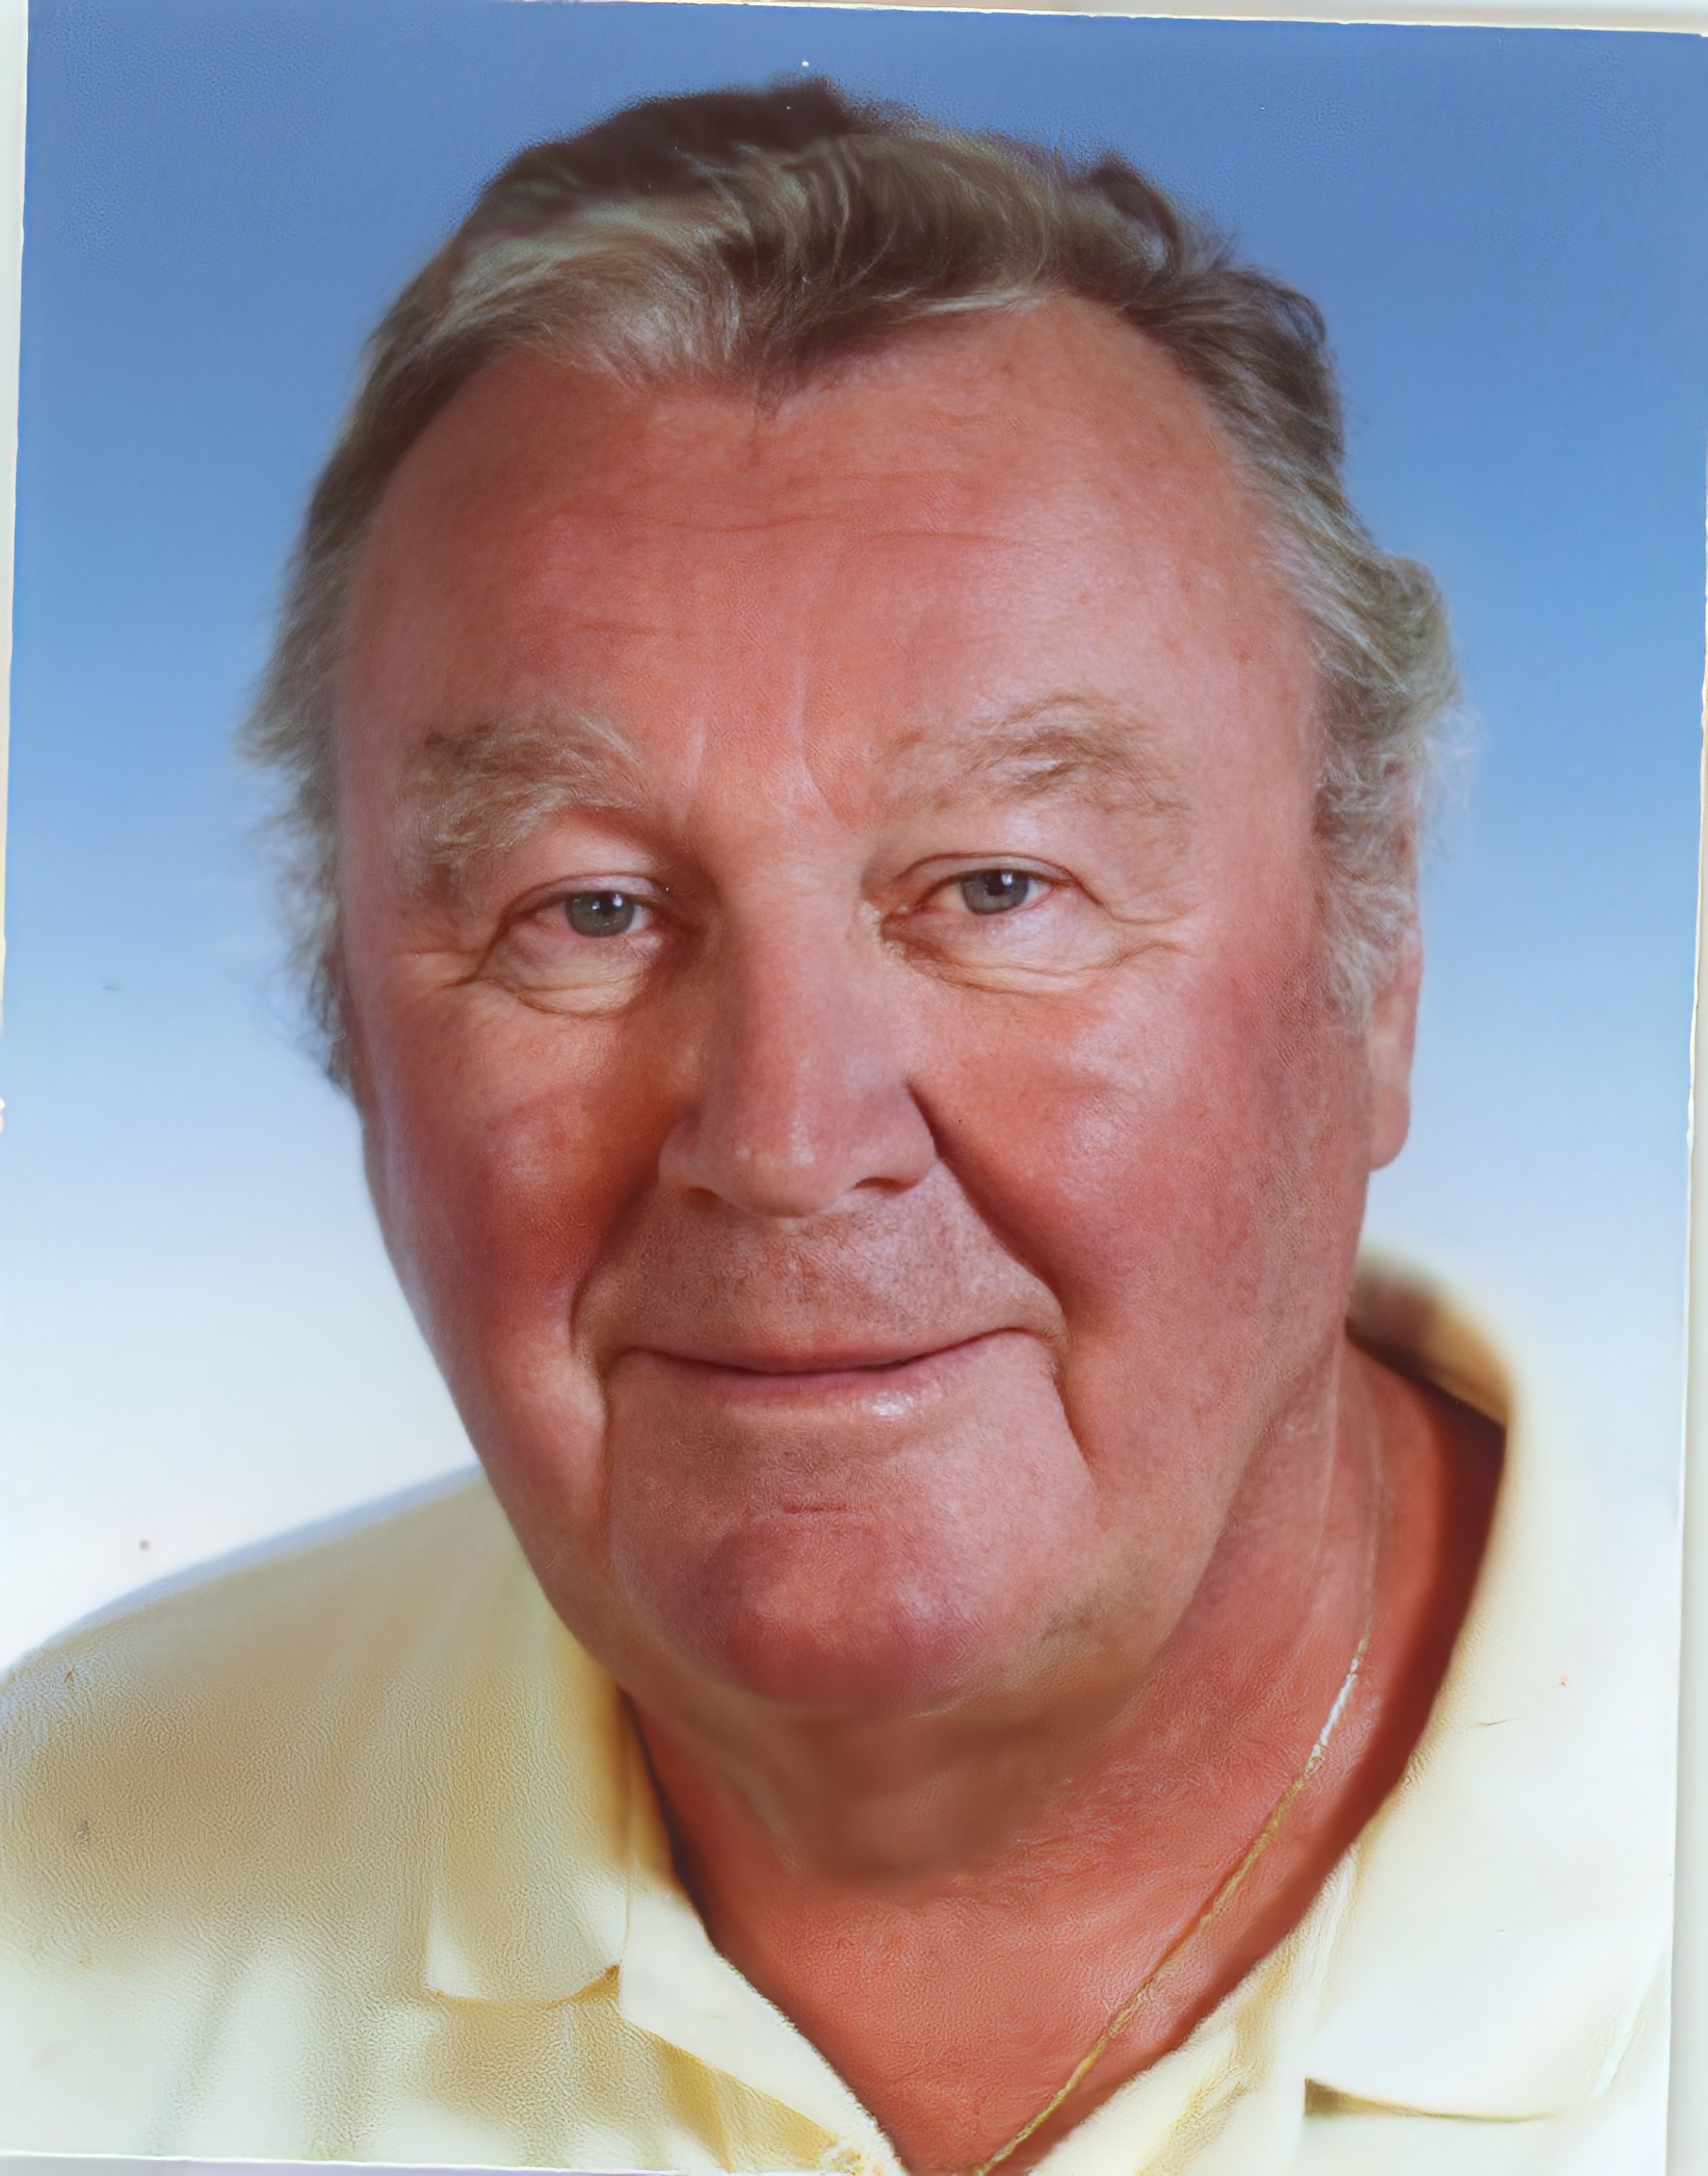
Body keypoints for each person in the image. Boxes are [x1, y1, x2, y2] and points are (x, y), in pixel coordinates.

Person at [0, 83, 1674, 2172]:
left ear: (1380, 948)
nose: (789, 1143)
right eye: (586, 913)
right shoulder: (46, 1879)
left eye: (999, 888)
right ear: (349, 1005)